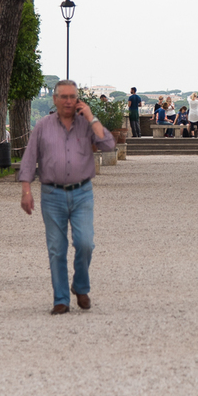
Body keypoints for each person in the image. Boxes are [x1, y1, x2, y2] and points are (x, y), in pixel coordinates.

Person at [19, 80, 115, 315]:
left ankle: (80, 286)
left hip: (82, 193)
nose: (69, 101)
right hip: (52, 194)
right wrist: (26, 191)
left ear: (78, 99)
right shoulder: (42, 126)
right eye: (63, 96)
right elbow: (30, 159)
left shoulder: (86, 125)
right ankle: (61, 299)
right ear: (55, 99)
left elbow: (109, 145)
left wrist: (91, 117)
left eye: (73, 96)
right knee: (56, 248)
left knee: (85, 243)